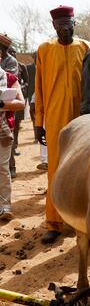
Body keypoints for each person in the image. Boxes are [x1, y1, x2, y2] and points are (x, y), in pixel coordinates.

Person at [35, 5, 90, 244]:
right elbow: (38, 87)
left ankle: (85, 220)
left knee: (85, 167)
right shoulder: (45, 49)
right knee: (56, 169)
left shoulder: (86, 47)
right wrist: (39, 122)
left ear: (74, 24)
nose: (66, 29)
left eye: (69, 25)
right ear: (54, 26)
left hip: (82, 117)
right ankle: (54, 223)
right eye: (61, 26)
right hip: (56, 117)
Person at [0, 67, 25, 220]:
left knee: (2, 167)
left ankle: (5, 205)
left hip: (3, 131)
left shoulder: (9, 78)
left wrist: (1, 103)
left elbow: (21, 103)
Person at [8, 47, 29, 178]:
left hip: (18, 99)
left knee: (16, 125)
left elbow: (27, 82)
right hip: (8, 101)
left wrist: (19, 88)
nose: (13, 55)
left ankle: (14, 145)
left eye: (14, 53)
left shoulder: (21, 67)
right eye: (11, 53)